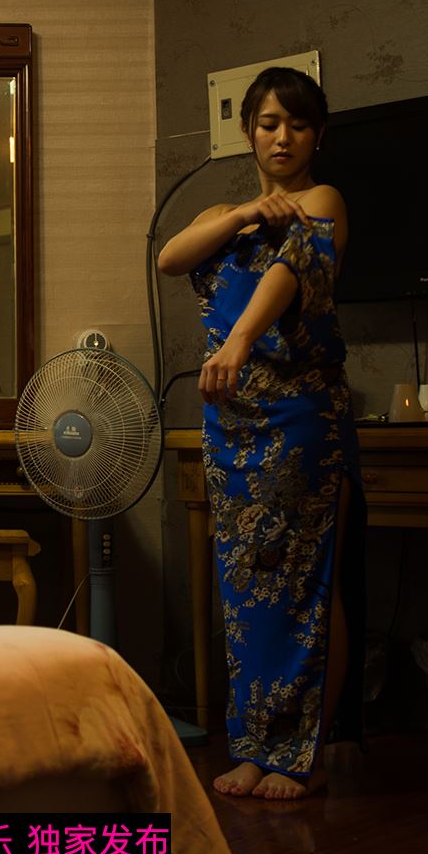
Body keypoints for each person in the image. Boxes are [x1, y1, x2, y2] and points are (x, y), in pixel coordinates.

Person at [156, 66, 364, 800]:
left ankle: (301, 753)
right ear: (248, 131)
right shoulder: (228, 211)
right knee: (247, 589)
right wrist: (247, 211)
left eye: (298, 125)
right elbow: (170, 257)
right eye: (269, 123)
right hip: (232, 421)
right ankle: (254, 746)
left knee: (306, 583)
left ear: (318, 135)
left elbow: (291, 270)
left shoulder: (322, 201)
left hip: (300, 416)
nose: (283, 137)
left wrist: (240, 339)